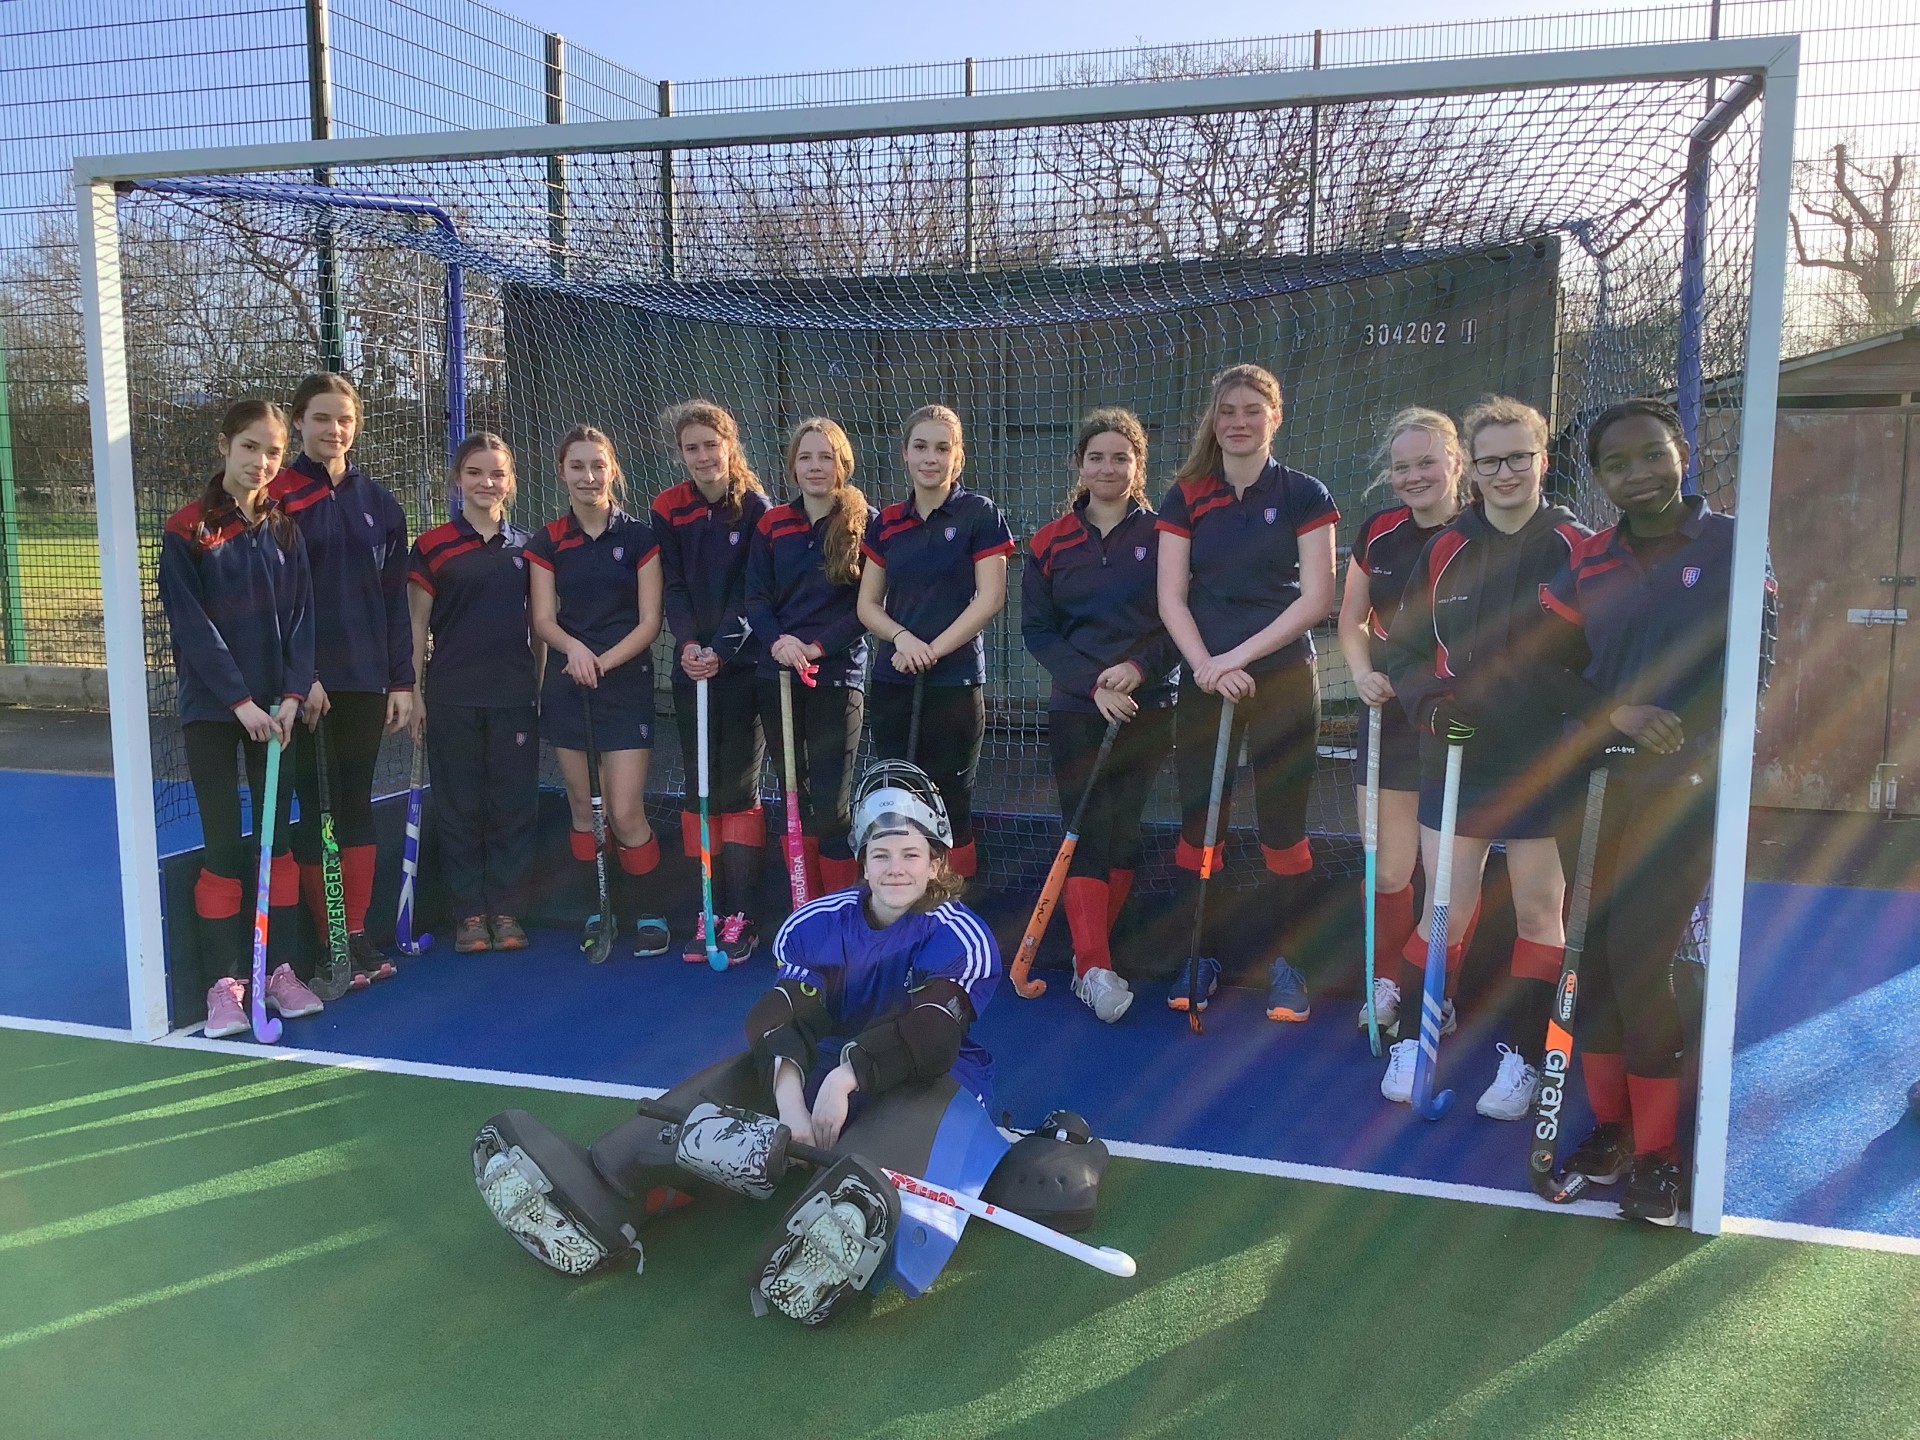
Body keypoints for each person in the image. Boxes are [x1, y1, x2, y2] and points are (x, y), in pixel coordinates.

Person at [1540, 398, 1774, 1224]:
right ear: (1599, 479)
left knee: (1640, 958)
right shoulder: (1590, 559)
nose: (1637, 473)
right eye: (1617, 464)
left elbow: (1756, 665)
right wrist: (1618, 716)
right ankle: (1611, 1132)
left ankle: (1661, 1157)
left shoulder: (1732, 543)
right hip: (1595, 784)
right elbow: (1546, 670)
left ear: (1682, 452)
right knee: (1593, 960)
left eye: (1651, 454)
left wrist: (1686, 740)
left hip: (1685, 789)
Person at [1383, 395, 1592, 1121]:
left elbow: (1600, 654)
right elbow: (1405, 650)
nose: (1505, 473)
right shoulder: (1445, 548)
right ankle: (1414, 1040)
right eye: (1491, 460)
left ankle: (1526, 1055)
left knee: (1539, 911)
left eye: (1518, 458)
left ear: (1543, 459)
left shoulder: (1575, 546)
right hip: (1457, 754)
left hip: (1541, 757)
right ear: (1471, 468)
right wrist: (1429, 704)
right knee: (1445, 907)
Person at [1156, 363, 1338, 1021]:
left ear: (1274, 417)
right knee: (1200, 823)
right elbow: (1170, 597)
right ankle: (1199, 955)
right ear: (1213, 419)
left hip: (1282, 676)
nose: (1238, 422)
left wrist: (1236, 658)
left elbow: (1317, 597)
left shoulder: (1304, 493)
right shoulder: (1186, 496)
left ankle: (1290, 964)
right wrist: (1206, 666)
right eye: (1227, 410)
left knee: (1283, 826)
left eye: (1252, 410)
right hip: (1206, 680)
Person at [159, 399, 323, 1037]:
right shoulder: (188, 529)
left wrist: (291, 694)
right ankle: (224, 983)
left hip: (276, 712)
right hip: (214, 711)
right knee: (224, 842)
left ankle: (277, 970)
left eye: (273, 451)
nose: (261, 462)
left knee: (276, 842)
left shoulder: (285, 528)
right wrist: (240, 701)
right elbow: (193, 628)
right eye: (250, 447)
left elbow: (303, 617)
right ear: (224, 445)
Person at [1021, 407, 1179, 1023]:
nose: (1108, 468)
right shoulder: (1049, 541)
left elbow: (1178, 620)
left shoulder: (1167, 535)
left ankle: (1095, 957)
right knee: (1084, 827)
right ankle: (1093, 968)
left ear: (1138, 466)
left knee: (1124, 830)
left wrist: (1138, 669)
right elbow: (1038, 631)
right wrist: (1094, 687)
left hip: (1147, 703)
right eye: (1096, 457)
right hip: (1076, 708)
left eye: (1121, 457)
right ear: (1079, 465)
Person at [270, 372, 412, 986]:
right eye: (322, 418)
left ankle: (354, 935)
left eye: (345, 419)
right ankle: (326, 940)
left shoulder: (381, 504)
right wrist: (303, 676)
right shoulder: (275, 496)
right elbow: (273, 599)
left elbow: (395, 601)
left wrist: (401, 681)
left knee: (353, 802)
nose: (334, 429)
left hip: (365, 680)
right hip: (305, 690)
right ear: (299, 422)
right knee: (314, 809)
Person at [1337, 407, 1468, 1038]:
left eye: (1427, 463)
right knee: (1389, 870)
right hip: (1389, 718)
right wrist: (1363, 672)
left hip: (1455, 724)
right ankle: (1387, 985)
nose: (1414, 476)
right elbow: (1351, 620)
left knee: (1448, 881)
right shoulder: (1379, 532)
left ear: (1456, 463)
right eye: (1401, 466)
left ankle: (1436, 992)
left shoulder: (1482, 531)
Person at [526, 426, 671, 960]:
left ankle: (651, 909)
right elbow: (543, 619)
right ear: (562, 472)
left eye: (598, 465)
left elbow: (650, 622)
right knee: (583, 809)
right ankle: (599, 907)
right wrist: (575, 651)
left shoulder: (640, 538)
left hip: (623, 685)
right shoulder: (547, 541)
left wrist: (602, 661)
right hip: (569, 685)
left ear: (612, 470)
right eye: (577, 466)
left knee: (625, 809)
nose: (588, 477)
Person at [856, 405, 1014, 881]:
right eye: (921, 447)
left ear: (957, 457)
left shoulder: (979, 514)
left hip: (954, 681)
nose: (931, 457)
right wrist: (903, 639)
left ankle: (952, 904)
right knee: (897, 797)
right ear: (905, 454)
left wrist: (933, 650)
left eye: (942, 448)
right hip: (894, 679)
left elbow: (990, 598)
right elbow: (868, 605)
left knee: (951, 801)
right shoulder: (886, 521)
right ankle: (901, 899)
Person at [406, 433, 540, 955]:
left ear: (511, 481)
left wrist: (537, 687)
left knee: (512, 806)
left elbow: (540, 627)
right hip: (451, 697)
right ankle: (468, 914)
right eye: (475, 473)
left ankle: (506, 910)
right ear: (457, 479)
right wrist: (414, 693)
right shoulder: (432, 546)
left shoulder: (529, 548)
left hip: (514, 698)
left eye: (497, 474)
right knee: (459, 807)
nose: (487, 483)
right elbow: (416, 628)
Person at [653, 401, 771, 963]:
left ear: (730, 444)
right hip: (691, 666)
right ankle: (709, 909)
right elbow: (672, 586)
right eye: (691, 448)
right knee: (698, 788)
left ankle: (743, 916)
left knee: (738, 790)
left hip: (742, 669)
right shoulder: (667, 508)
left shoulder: (757, 509)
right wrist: (688, 646)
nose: (703, 456)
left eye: (711, 445)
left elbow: (754, 592)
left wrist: (720, 650)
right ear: (681, 453)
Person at [745, 417, 871, 898]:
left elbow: (867, 607)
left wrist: (816, 647)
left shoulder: (866, 521)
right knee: (791, 796)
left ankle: (838, 912)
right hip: (777, 676)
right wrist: (780, 643)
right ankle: (804, 908)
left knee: (832, 806)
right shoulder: (772, 523)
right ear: (792, 467)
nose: (816, 466)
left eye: (826, 457)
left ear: (843, 464)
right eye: (806, 457)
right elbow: (756, 597)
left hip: (837, 678)